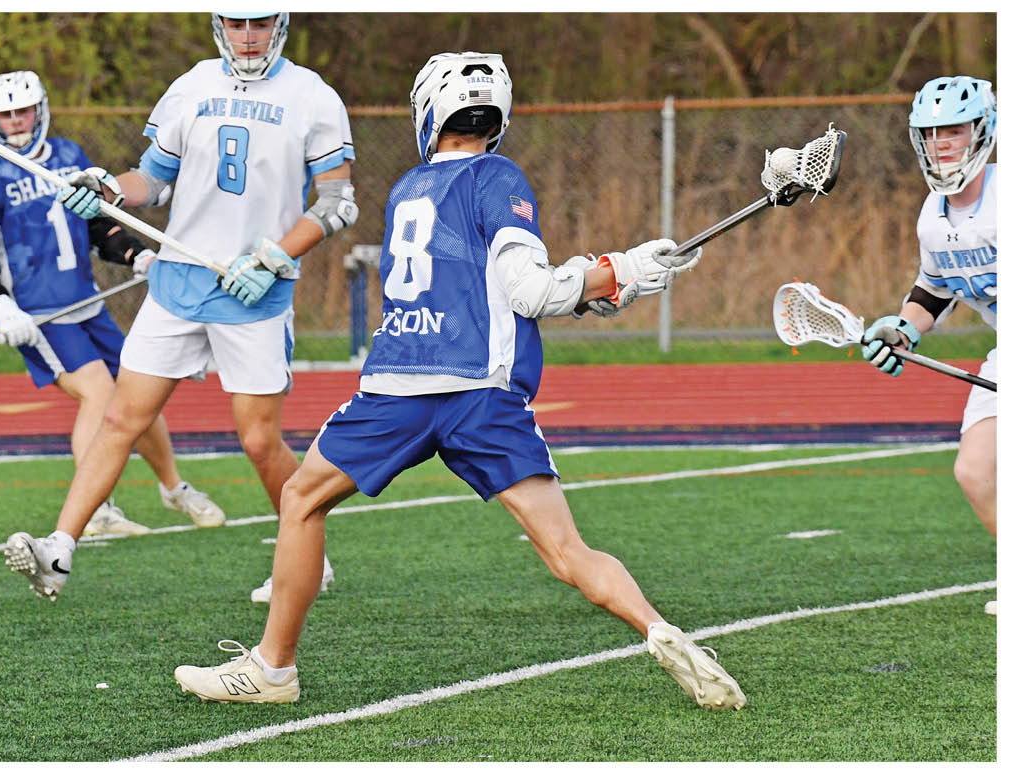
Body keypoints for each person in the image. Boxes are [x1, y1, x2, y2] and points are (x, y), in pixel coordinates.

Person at [172, 51, 746, 712]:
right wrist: (619, 271)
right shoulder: (498, 174)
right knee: (565, 551)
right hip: (481, 393)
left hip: (400, 387)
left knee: (301, 498)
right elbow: (530, 292)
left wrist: (606, 280)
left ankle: (274, 669)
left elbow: (501, 290)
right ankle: (662, 631)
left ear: (429, 111)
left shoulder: (409, 189)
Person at [3, 13, 354, 600]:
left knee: (260, 441)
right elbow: (151, 180)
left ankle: (309, 562)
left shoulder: (313, 96)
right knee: (120, 418)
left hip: (254, 292)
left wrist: (274, 257)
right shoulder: (191, 85)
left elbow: (339, 203)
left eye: (260, 24)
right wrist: (107, 188)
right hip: (178, 284)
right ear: (219, 26)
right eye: (238, 24)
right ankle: (59, 549)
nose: (249, 36)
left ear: (280, 26)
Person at [0, 70, 224, 540]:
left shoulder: (68, 156)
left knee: (139, 393)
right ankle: (98, 509)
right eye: (4, 115)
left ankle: (174, 487)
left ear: (39, 110)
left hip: (89, 305)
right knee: (101, 396)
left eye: (22, 110)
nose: (15, 122)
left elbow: (98, 228)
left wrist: (136, 254)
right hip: (41, 317)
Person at [860, 75, 996, 614]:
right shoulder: (932, 217)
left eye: (954, 130)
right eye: (931, 132)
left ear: (981, 131)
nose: (942, 142)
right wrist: (905, 329)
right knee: (974, 471)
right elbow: (935, 288)